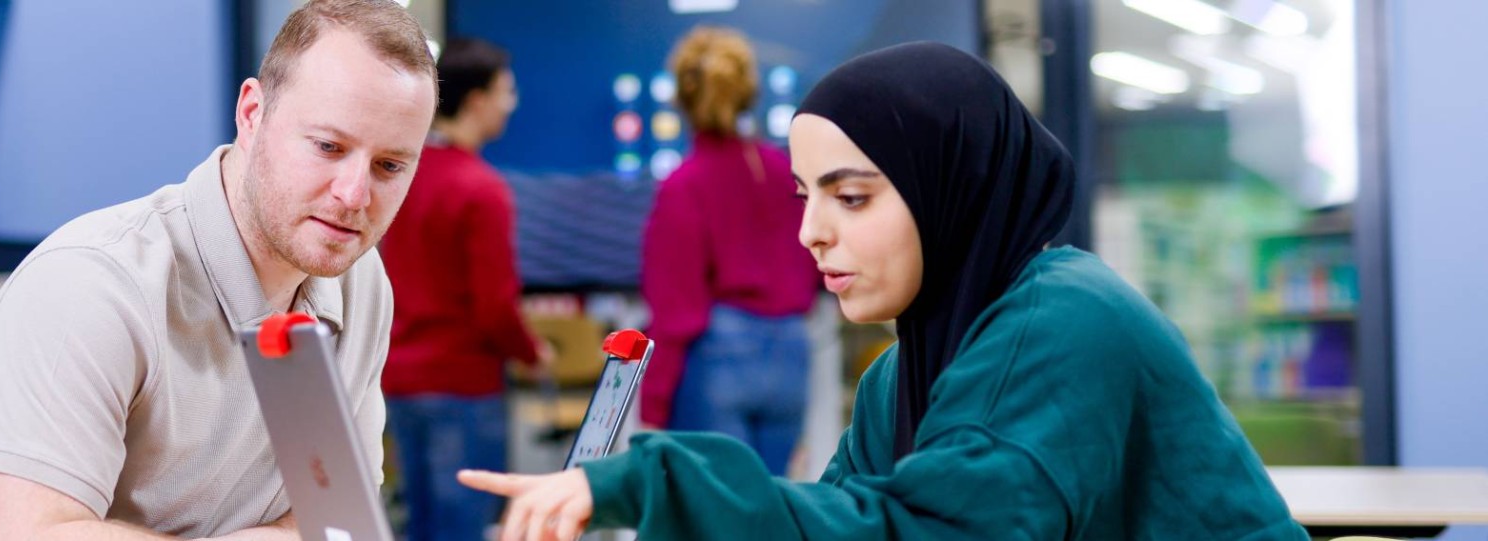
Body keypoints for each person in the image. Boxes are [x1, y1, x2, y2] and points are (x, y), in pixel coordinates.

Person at [459, 42, 1306, 541]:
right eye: (807, 197)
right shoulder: (894, 379)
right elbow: (839, 516)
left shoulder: (1066, 318)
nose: (811, 233)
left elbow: (923, 532)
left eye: (852, 195)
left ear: (952, 186)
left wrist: (645, 481)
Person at [0, 1, 438, 538]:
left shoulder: (357, 281)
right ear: (253, 114)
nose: (354, 195)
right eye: (327, 146)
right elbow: (32, 534)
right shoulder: (92, 284)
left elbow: (336, 522)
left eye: (390, 166)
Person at [380, 37, 549, 541]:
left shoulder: (400, 175)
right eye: (507, 91)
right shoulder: (482, 189)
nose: (512, 103)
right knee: (464, 526)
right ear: (478, 101)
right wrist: (532, 353)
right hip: (462, 384)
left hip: (400, 381)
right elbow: (495, 306)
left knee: (418, 522)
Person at [637, 26, 819, 476]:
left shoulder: (684, 184)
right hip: (792, 354)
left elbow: (676, 310)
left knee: (715, 513)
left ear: (681, 97)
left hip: (716, 359)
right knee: (769, 506)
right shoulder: (783, 172)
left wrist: (653, 405)